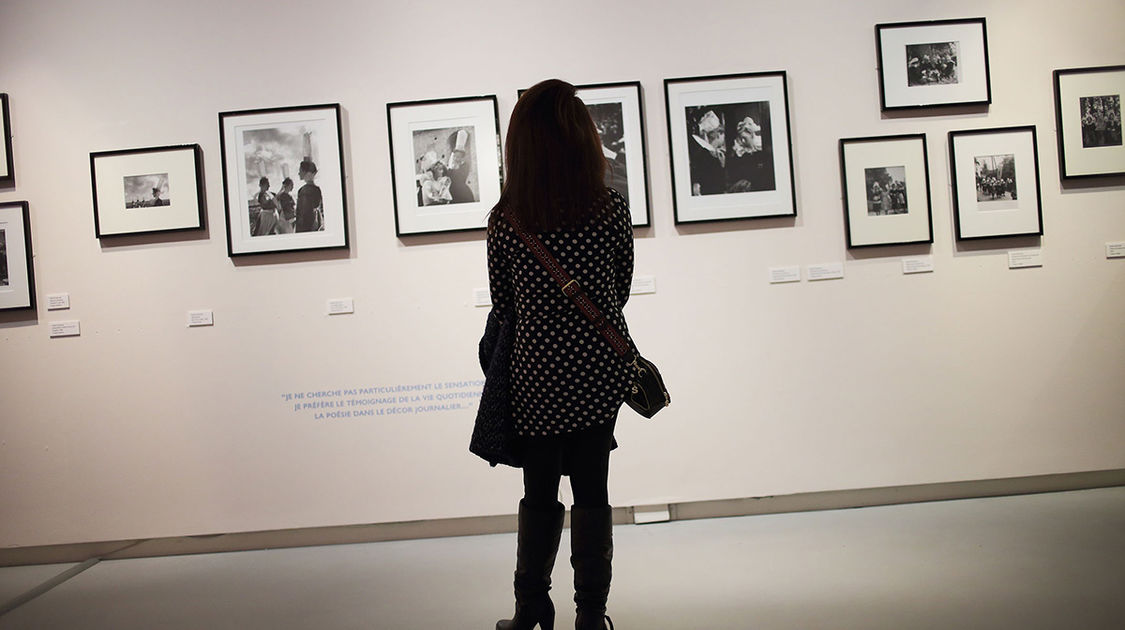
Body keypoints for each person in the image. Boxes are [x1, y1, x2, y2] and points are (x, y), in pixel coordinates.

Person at [486, 78, 634, 630]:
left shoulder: (508, 220)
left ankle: (530, 609)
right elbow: (618, 291)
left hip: (536, 376)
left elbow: (505, 306)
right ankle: (592, 615)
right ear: (582, 139)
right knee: (593, 488)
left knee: (539, 491)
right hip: (597, 372)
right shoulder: (610, 209)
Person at [687, 108, 726, 195]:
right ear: (719, 134)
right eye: (723, 134)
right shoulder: (706, 155)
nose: (724, 138)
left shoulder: (712, 153)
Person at [295, 159, 322, 232]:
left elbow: (303, 212)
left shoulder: (304, 191)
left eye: (300, 170)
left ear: (307, 173)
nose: (299, 173)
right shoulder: (317, 189)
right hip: (315, 223)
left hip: (305, 225)